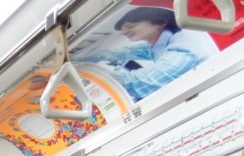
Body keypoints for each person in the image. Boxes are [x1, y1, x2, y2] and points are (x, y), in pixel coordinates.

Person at [77, 6, 218, 101]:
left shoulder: (182, 51)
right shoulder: (161, 39)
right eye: (123, 29)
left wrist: (82, 76)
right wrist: (76, 61)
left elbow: (136, 85)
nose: (125, 31)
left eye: (130, 26)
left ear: (160, 22)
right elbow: (118, 53)